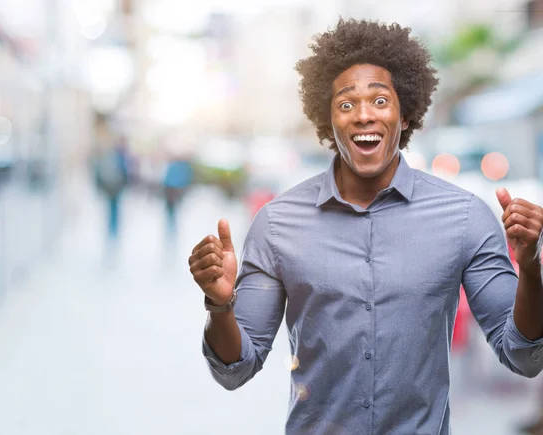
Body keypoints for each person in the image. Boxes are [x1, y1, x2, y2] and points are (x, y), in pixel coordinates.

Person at [187, 19, 543, 434]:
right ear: (328, 120)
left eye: (379, 101)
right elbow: (236, 369)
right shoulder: (278, 224)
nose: (362, 116)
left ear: (405, 114)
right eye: (345, 104)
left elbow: (525, 357)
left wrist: (531, 269)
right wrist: (219, 304)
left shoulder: (465, 216)